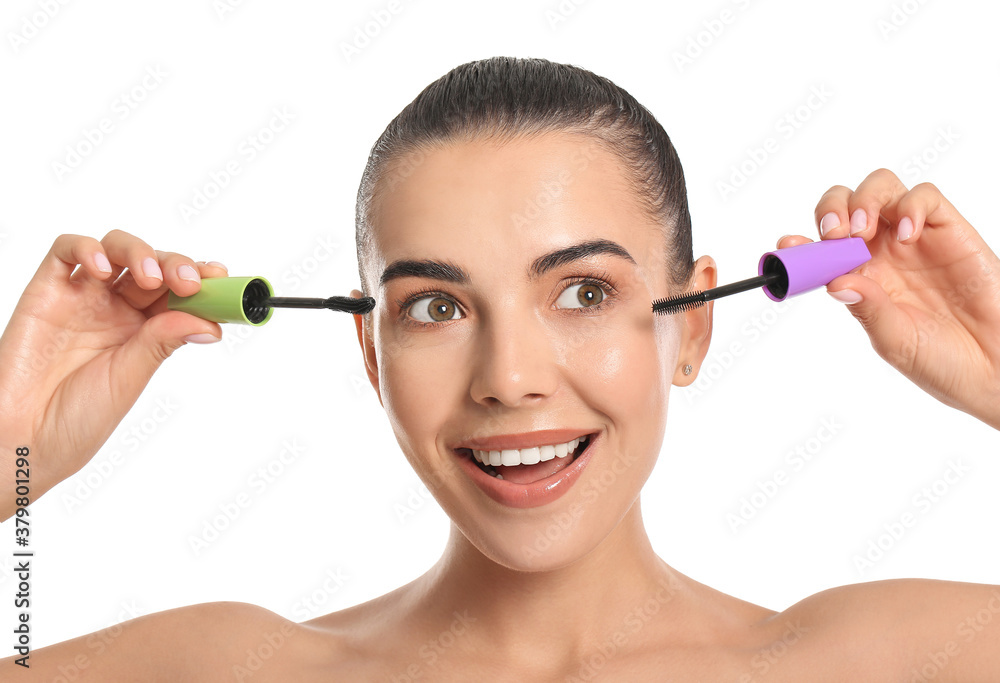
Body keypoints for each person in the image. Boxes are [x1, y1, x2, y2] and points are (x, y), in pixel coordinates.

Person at [2, 56, 999, 681]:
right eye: (435, 307)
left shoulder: (888, 659)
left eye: (582, 292)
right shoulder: (230, 668)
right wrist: (7, 454)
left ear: (690, 325)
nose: (509, 377)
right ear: (371, 351)